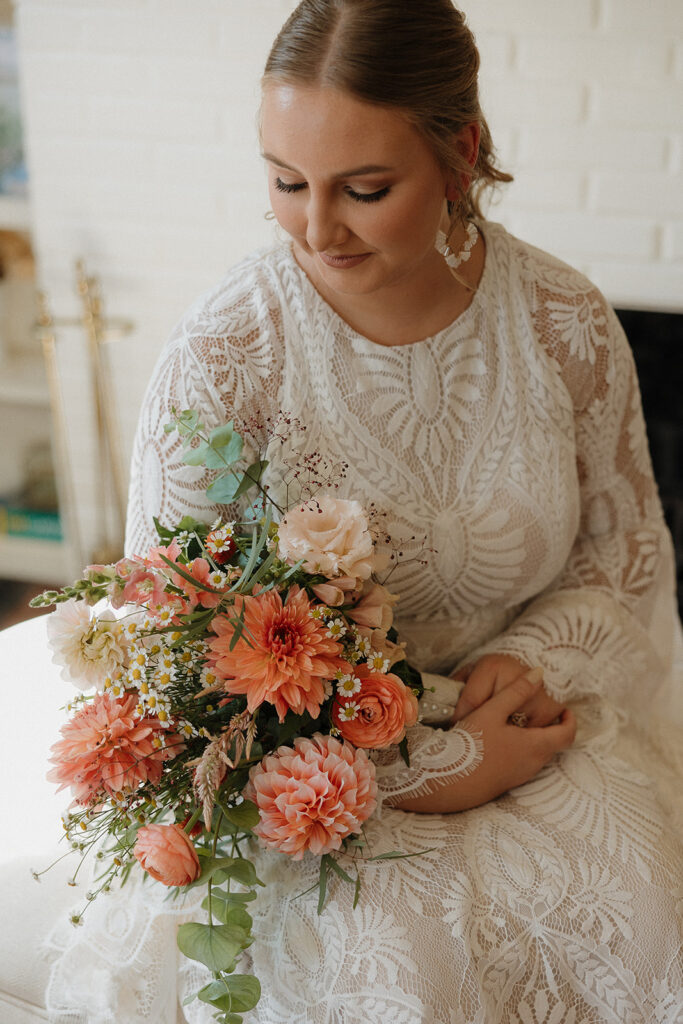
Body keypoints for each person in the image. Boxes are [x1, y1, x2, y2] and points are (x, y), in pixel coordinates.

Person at [45, 1, 683, 1021]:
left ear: (459, 153)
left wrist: (537, 662)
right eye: (284, 181)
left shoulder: (564, 321)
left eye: (364, 189)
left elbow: (621, 549)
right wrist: (427, 774)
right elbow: (174, 646)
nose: (313, 226)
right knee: (389, 961)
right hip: (317, 777)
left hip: (528, 720)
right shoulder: (221, 357)